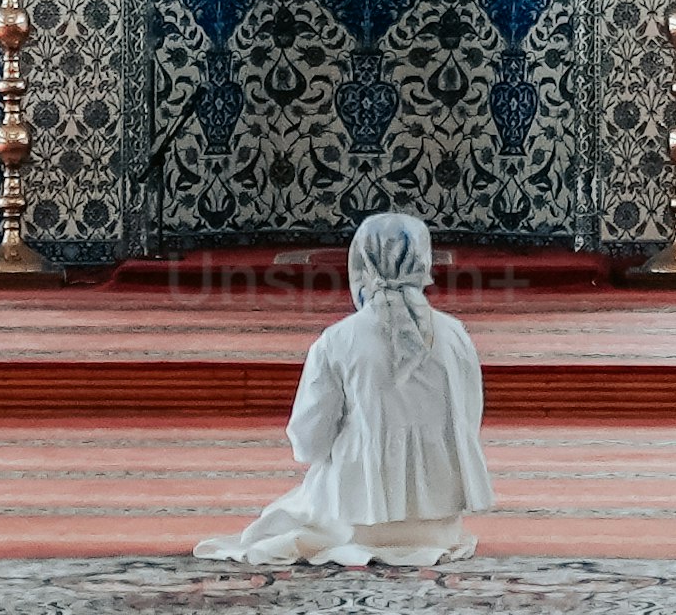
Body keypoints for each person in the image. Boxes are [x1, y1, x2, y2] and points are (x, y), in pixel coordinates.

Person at [206, 210, 491, 566]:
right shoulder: (455, 336)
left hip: (355, 518)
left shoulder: (337, 340)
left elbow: (309, 440)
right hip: (441, 521)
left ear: (360, 261)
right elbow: (469, 419)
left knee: (282, 518)